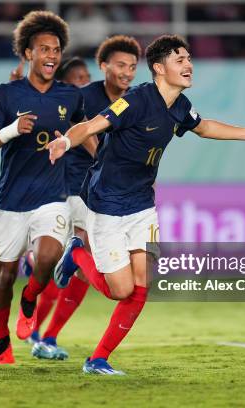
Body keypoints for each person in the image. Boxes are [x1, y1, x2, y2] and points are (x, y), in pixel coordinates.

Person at [48, 35, 245, 375]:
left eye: (188, 57)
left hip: (143, 205)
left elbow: (204, 128)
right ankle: (77, 255)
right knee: (121, 291)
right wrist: (67, 140)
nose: (188, 64)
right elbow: (93, 125)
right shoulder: (135, 101)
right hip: (107, 205)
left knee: (142, 287)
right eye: (179, 59)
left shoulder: (180, 105)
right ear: (159, 68)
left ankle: (98, 359)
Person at [0, 10, 88, 364]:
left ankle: (31, 299)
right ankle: (0, 336)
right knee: (4, 275)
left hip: (51, 197)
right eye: (44, 49)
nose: (52, 56)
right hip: (11, 199)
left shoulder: (71, 96)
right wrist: (11, 130)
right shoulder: (7, 93)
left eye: (56, 49)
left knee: (49, 256)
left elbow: (85, 134)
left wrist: (106, 165)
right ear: (27, 54)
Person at [32, 35, 142, 361]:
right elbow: (72, 125)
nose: (127, 72)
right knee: (65, 256)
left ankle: (47, 335)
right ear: (104, 66)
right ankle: (38, 330)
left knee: (82, 266)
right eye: (121, 65)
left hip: (116, 190)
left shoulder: (137, 99)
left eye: (133, 67)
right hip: (75, 186)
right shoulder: (84, 96)